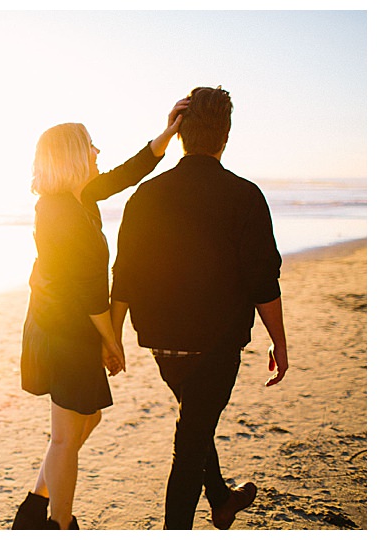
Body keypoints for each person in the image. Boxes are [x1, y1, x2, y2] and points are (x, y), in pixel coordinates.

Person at [109, 86, 289, 530]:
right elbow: (262, 280)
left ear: (182, 133)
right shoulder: (244, 195)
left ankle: (222, 498)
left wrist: (112, 338)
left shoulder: (145, 196)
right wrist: (279, 344)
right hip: (217, 346)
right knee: (190, 442)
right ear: (225, 136)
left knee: (195, 420)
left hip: (163, 344)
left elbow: (125, 274)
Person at [11, 99, 188, 530]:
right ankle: (59, 524)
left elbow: (124, 175)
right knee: (65, 438)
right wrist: (111, 340)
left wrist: (164, 138)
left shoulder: (79, 196)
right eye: (90, 146)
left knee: (86, 418)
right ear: (72, 156)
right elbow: (88, 291)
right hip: (63, 329)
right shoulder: (60, 211)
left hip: (66, 325)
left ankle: (35, 510)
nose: (97, 152)